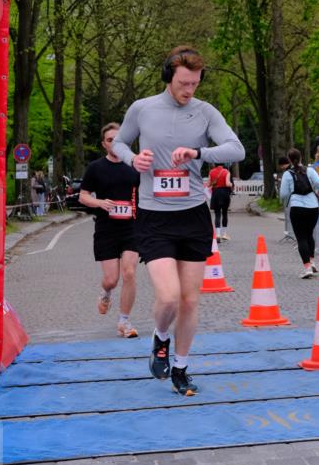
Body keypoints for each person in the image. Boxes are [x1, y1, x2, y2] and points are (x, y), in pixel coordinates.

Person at [113, 46, 245, 396]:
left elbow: (237, 148)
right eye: (184, 83)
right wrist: (133, 159)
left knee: (190, 300)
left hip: (192, 215)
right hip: (154, 215)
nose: (190, 90)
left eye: (195, 84)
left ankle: (182, 367)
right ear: (168, 78)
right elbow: (120, 144)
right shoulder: (142, 109)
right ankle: (161, 339)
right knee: (168, 297)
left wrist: (199, 153)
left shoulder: (204, 112)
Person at [78, 122, 141, 338]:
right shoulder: (95, 168)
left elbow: (147, 194)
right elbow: (83, 195)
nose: (114, 143)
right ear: (104, 144)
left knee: (130, 273)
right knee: (112, 280)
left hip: (132, 227)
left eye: (118, 139)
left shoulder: (134, 166)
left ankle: (124, 322)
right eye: (110, 140)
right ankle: (106, 293)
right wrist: (100, 203)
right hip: (106, 229)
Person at [280, 148, 319, 278]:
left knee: (301, 238)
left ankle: (307, 268)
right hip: (313, 207)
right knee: (309, 235)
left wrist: (287, 201)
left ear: (289, 160)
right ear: (300, 158)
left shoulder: (288, 174)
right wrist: (318, 193)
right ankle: (312, 262)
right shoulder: (309, 170)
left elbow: (283, 194)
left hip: (297, 208)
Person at [208, 162, 233, 241]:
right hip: (225, 193)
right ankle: (224, 234)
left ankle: (218, 234)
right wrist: (231, 184)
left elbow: (209, 184)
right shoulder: (226, 172)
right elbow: (227, 183)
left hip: (215, 193)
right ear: (223, 164)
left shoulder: (211, 172)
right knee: (224, 213)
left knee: (217, 214)